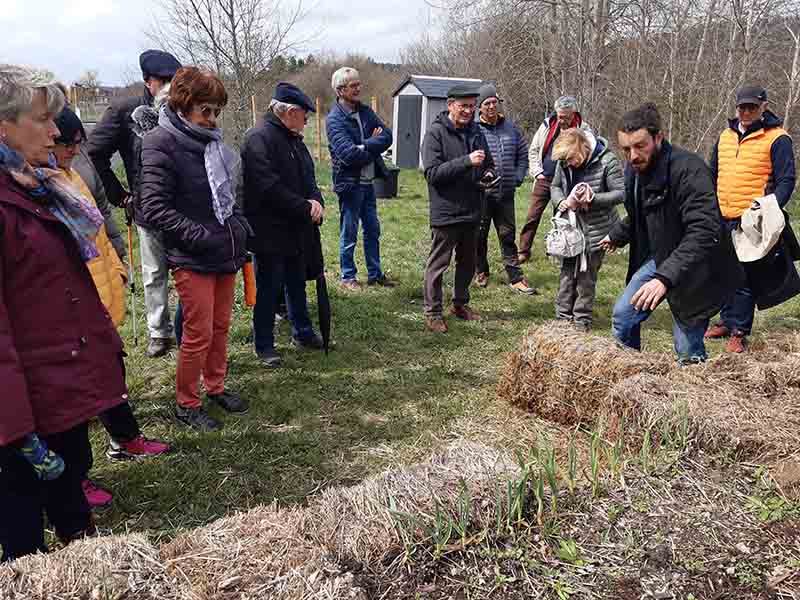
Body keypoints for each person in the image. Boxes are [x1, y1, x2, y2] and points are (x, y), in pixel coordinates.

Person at [0, 65, 129, 561]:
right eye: (42, 119)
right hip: (20, 415)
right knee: (25, 553)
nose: (56, 131)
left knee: (76, 530)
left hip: (59, 391)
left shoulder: (42, 187)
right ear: (3, 127)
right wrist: (14, 431)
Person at [52, 106, 170, 507]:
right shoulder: (38, 185)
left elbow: (99, 218)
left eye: (77, 143)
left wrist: (116, 257)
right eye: (66, 144)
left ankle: (126, 437)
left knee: (109, 370)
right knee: (71, 398)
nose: (73, 149)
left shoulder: (71, 175)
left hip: (97, 292)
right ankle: (72, 479)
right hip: (66, 306)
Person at [140, 66, 251, 431]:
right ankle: (187, 403)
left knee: (220, 326)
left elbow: (228, 196)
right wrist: (199, 235)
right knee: (198, 332)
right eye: (206, 110)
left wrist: (238, 227)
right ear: (184, 105)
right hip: (192, 255)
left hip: (223, 250)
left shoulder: (213, 144)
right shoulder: (160, 142)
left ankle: (215, 386)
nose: (212, 119)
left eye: (216, 111)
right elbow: (154, 207)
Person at [601, 103, 742, 364]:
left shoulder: (689, 170)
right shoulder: (634, 170)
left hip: (699, 266)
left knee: (686, 347)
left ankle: (694, 395)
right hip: (661, 255)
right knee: (623, 317)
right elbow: (640, 213)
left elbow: (704, 230)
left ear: (658, 137)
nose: (632, 155)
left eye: (640, 145)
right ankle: (632, 377)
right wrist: (617, 234)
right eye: (626, 149)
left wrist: (664, 278)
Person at [87, 49, 182, 358]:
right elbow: (94, 153)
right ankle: (158, 330)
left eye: (174, 79)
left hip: (185, 205)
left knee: (187, 269)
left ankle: (187, 325)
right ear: (148, 81)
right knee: (154, 272)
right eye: (163, 80)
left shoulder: (184, 106)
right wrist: (120, 195)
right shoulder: (124, 111)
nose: (170, 86)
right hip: (147, 206)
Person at [705, 85, 797, 352]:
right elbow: (713, 173)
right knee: (722, 272)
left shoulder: (778, 138)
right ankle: (725, 320)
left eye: (752, 107)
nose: (746, 112)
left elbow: (786, 181)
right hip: (722, 214)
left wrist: (767, 210)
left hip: (751, 219)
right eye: (742, 107)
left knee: (744, 276)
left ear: (764, 107)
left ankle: (739, 330)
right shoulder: (725, 136)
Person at [242, 82, 326, 368]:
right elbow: (268, 187)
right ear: (289, 112)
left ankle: (302, 332)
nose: (307, 120)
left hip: (296, 228)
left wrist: (316, 200)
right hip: (269, 231)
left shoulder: (294, 139)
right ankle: (264, 344)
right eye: (304, 115)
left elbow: (309, 178)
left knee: (296, 282)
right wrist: (305, 207)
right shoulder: (258, 139)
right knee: (268, 288)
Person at [421, 84, 496, 333]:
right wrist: (466, 162)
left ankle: (460, 304)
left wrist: (488, 174)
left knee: (468, 262)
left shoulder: (476, 132)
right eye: (463, 106)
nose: (468, 111)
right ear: (450, 105)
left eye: (472, 106)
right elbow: (433, 174)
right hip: (446, 210)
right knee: (439, 264)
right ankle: (433, 312)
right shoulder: (435, 134)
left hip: (473, 208)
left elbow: (489, 163)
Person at [326, 67, 394, 291]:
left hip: (368, 183)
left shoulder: (365, 111)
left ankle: (375, 274)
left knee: (373, 230)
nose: (358, 88)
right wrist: (372, 145)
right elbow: (348, 155)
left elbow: (387, 136)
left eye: (358, 84)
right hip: (350, 185)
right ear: (340, 90)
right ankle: (348, 277)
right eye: (353, 85)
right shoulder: (334, 119)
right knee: (350, 231)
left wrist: (364, 145)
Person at [549, 128, 624, 331]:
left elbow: (620, 193)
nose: (568, 164)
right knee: (566, 274)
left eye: (571, 159)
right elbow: (554, 186)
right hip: (570, 229)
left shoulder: (607, 161)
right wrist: (561, 201)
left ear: (582, 147)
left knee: (586, 277)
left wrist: (594, 199)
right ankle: (563, 318)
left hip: (596, 230)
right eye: (565, 161)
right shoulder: (563, 161)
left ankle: (582, 319)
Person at [474, 84, 535, 295]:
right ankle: (480, 270)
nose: (491, 107)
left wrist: (518, 177)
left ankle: (515, 276)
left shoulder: (511, 129)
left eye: (494, 103)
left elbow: (523, 155)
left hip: (506, 194)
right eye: (486, 104)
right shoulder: (474, 131)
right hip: (482, 195)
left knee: (507, 235)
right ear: (479, 108)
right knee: (479, 236)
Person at [518, 96, 593, 264]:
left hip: (567, 182)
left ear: (574, 114)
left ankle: (556, 250)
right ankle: (523, 251)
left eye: (566, 117)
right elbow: (534, 150)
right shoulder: (547, 125)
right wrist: (537, 173)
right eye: (559, 116)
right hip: (545, 179)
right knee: (532, 215)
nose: (562, 120)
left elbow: (587, 156)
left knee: (561, 217)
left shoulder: (584, 130)